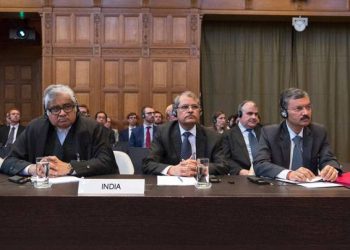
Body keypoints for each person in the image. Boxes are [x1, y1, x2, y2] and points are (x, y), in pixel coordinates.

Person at [0, 84, 118, 177]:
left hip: (82, 195)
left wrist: (71, 168)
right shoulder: (34, 128)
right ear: (46, 112)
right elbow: (9, 161)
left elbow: (107, 162)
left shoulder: (93, 127)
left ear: (76, 107)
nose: (62, 113)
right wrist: (31, 169)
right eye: (55, 109)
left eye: (67, 107)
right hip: (42, 194)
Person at [254, 88, 340, 182]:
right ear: (284, 112)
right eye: (299, 108)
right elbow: (260, 164)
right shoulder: (270, 133)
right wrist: (289, 174)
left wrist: (331, 169)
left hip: (310, 189)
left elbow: (328, 158)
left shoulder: (319, 132)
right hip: (278, 189)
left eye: (308, 107)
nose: (306, 113)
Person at [143, 91, 230, 176]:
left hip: (201, 186)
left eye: (195, 107)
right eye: (185, 107)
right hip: (172, 187)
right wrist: (172, 169)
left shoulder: (212, 136)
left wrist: (200, 168)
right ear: (175, 112)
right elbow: (148, 164)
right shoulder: (163, 133)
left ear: (200, 112)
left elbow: (224, 166)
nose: (190, 110)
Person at [222, 101, 261, 175]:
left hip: (265, 175)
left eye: (256, 114)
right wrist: (240, 171)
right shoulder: (228, 135)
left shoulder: (264, 132)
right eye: (250, 113)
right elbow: (225, 159)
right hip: (241, 178)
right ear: (239, 115)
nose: (254, 117)